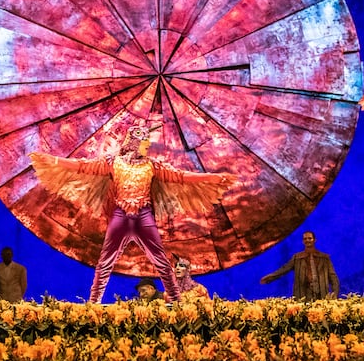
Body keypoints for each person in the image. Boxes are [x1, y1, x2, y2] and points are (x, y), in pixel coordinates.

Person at [30, 122, 232, 303]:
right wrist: (54, 161)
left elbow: (182, 177)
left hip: (143, 216)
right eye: (144, 144)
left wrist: (212, 178)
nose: (147, 148)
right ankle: (93, 303)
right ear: (134, 143)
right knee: (105, 261)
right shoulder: (112, 163)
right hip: (121, 216)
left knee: (160, 260)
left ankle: (176, 301)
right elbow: (83, 166)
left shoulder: (152, 165)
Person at [260, 230, 340, 300]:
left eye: (309, 238)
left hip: (321, 295)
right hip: (303, 296)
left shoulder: (324, 258)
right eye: (305, 239)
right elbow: (284, 270)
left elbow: (332, 276)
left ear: (314, 240)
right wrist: (270, 277)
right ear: (302, 241)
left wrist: (335, 292)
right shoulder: (297, 258)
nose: (307, 240)